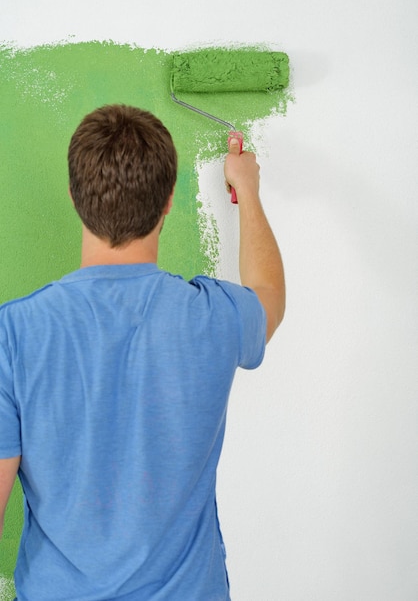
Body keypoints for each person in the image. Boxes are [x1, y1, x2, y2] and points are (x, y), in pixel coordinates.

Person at [0, 104, 285, 601]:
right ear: (169, 200)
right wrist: (249, 192)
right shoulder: (212, 317)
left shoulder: (13, 333)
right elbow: (269, 296)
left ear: (74, 197)